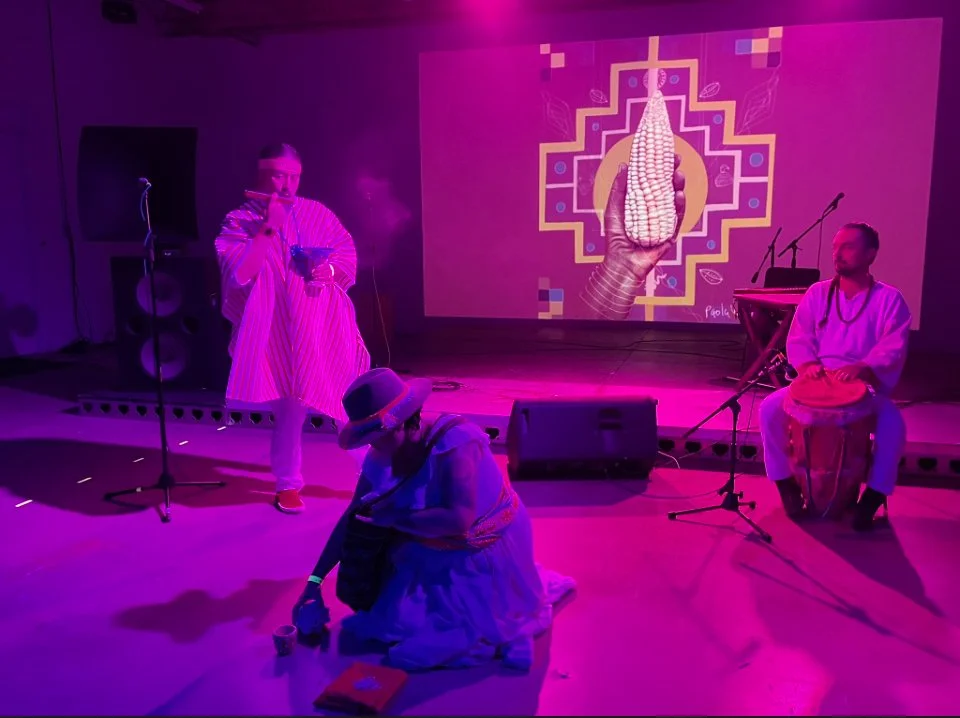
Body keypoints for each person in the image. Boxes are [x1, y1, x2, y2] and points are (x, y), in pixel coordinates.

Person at [292, 368, 576, 671]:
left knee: (447, 634)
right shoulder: (380, 456)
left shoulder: (456, 442)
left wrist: (394, 517)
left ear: (401, 425)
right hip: (433, 543)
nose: (372, 446)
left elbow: (459, 520)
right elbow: (352, 517)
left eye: (376, 437)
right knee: (395, 625)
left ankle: (503, 616)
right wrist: (314, 581)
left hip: (486, 547)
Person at [214, 144, 370, 514]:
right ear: (261, 175)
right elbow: (239, 275)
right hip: (277, 333)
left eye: (294, 177)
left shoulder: (317, 213)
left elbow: (346, 256)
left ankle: (375, 479)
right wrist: (269, 227)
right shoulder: (239, 220)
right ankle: (287, 484)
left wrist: (327, 270)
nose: (287, 185)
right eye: (279, 176)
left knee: (345, 405)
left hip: (322, 326)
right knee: (288, 408)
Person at [758, 222, 911, 531]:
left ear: (871, 254)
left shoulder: (889, 299)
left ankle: (872, 497)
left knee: (893, 424)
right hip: (818, 379)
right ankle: (785, 484)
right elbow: (799, 338)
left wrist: (864, 366)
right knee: (769, 409)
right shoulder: (817, 293)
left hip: (862, 386)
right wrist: (807, 366)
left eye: (848, 247)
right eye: (835, 247)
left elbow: (893, 346)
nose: (838, 254)